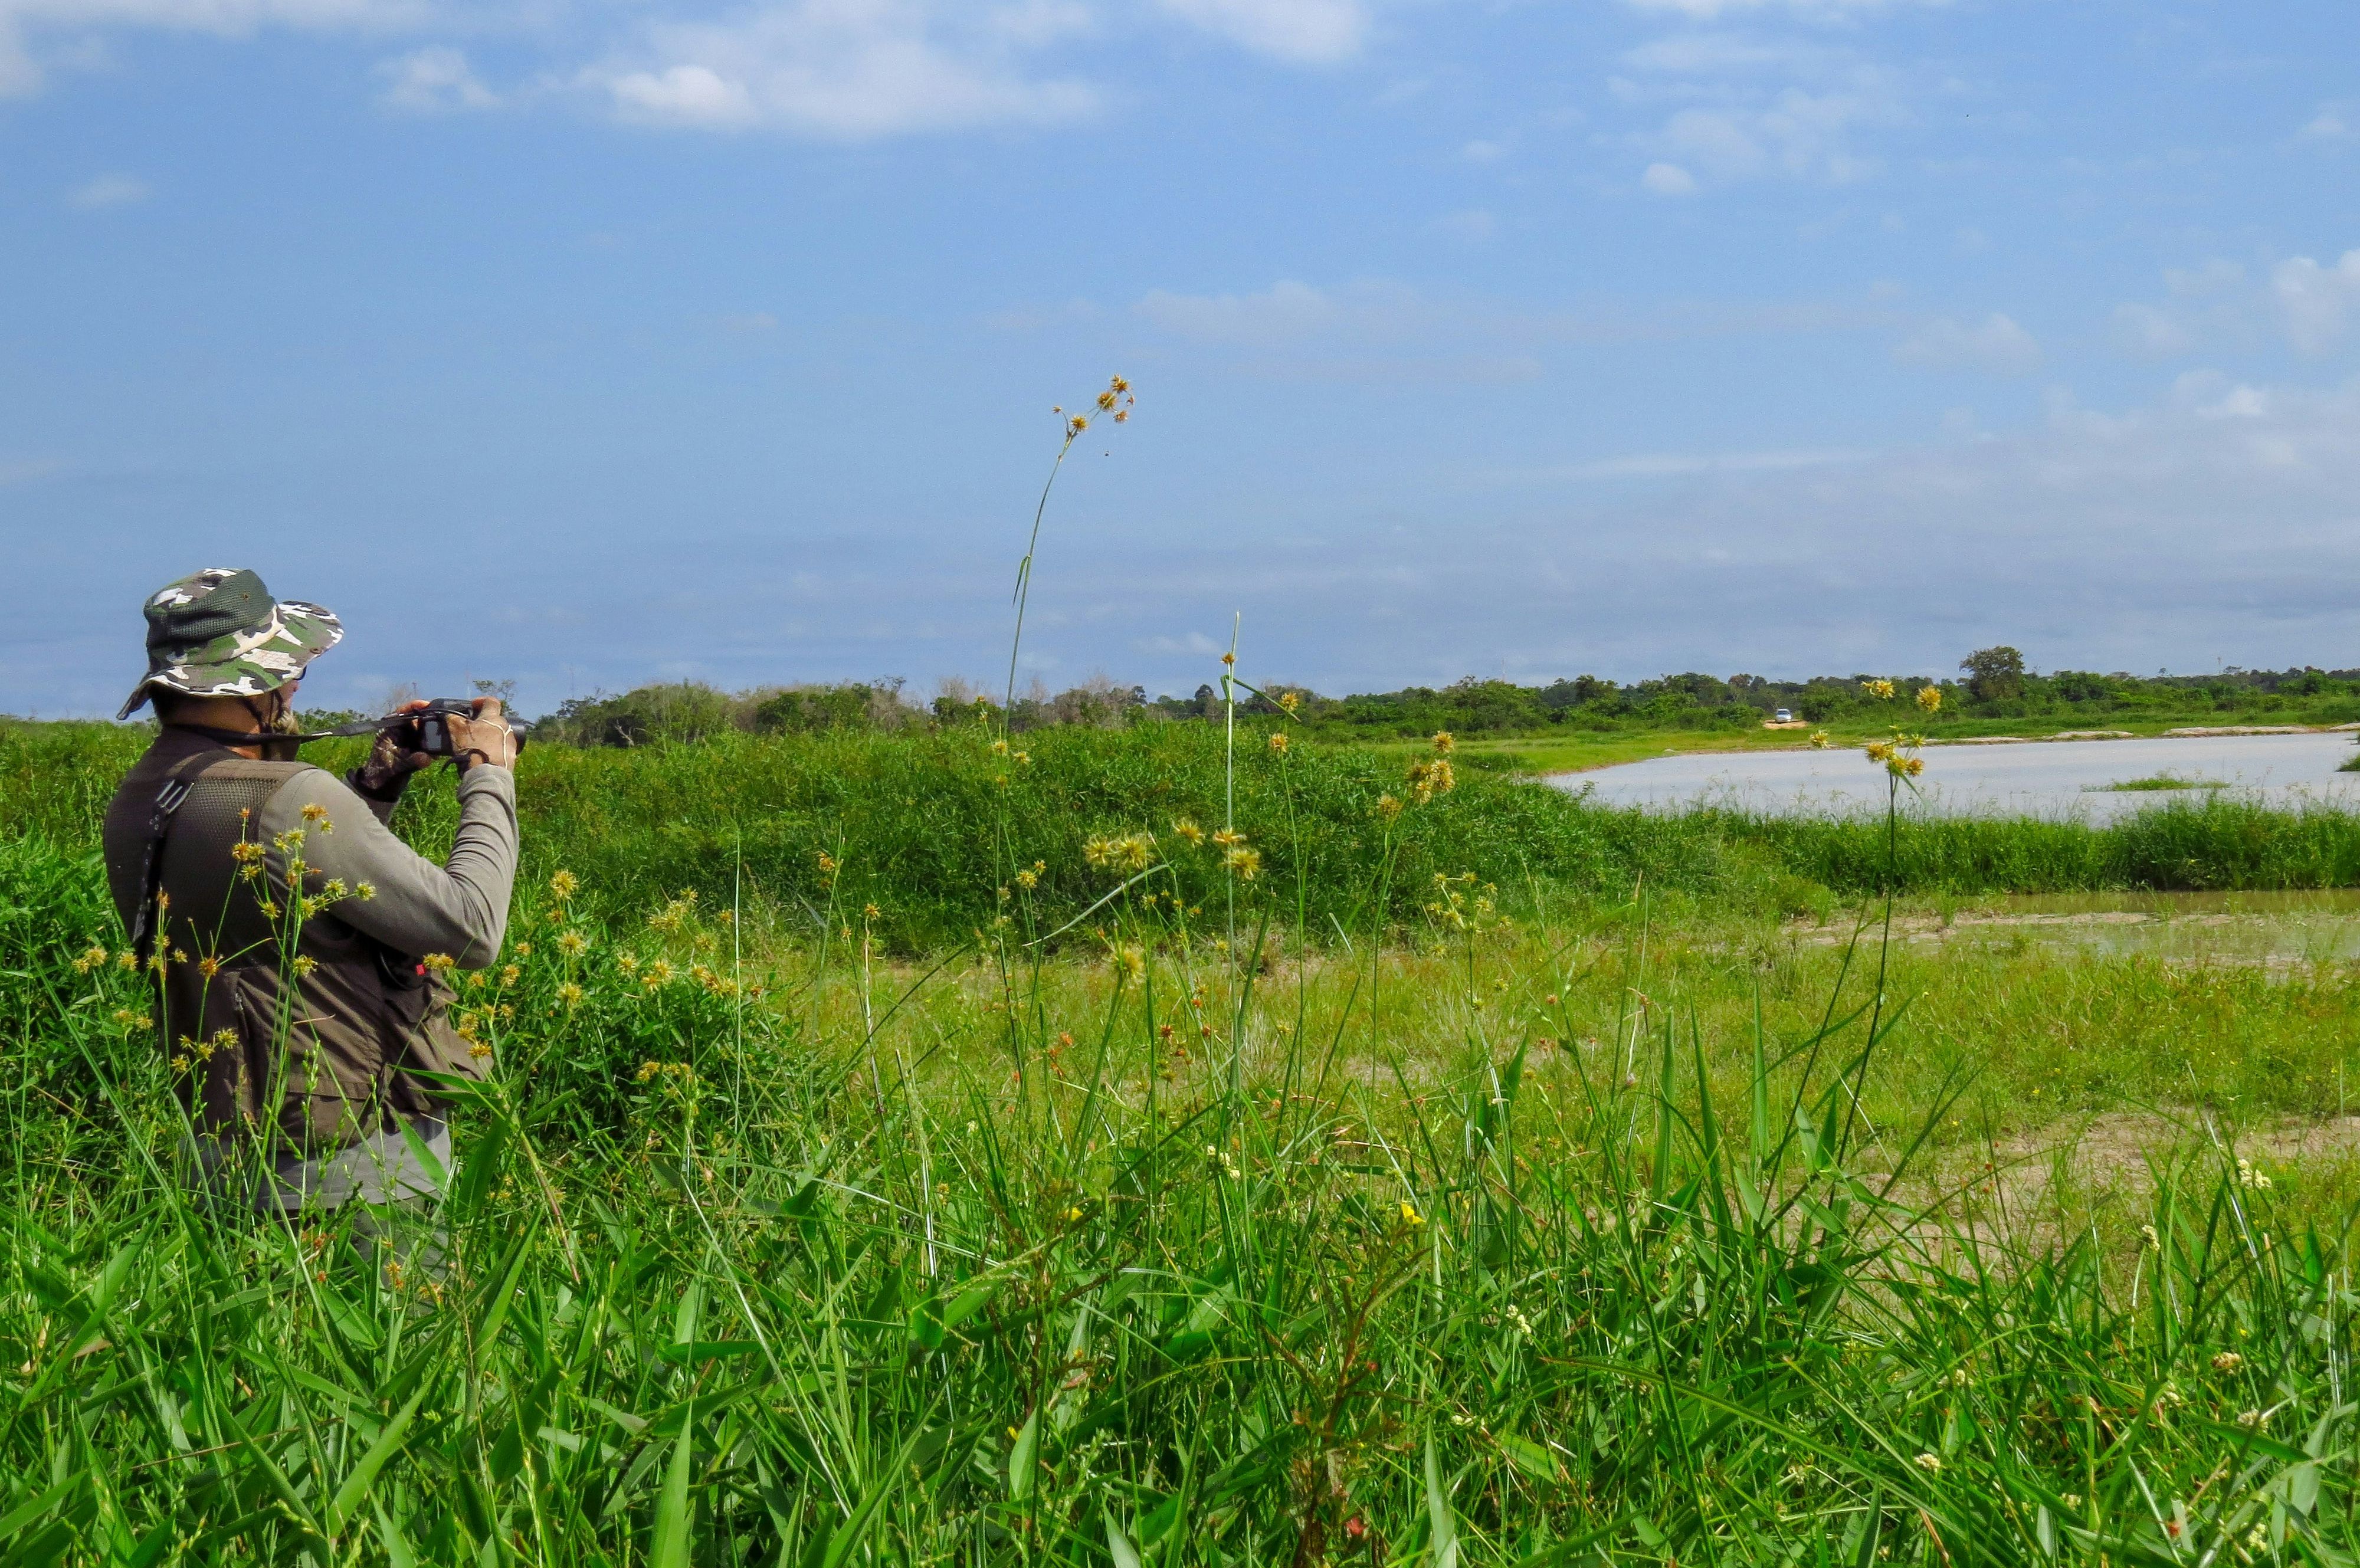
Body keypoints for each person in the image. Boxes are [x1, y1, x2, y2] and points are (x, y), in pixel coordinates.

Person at [99, 567, 519, 1227]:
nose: (295, 683)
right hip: (355, 1170)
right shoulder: (289, 795)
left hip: (221, 1151)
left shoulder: (144, 793)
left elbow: (279, 893)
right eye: (287, 668)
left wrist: (373, 789)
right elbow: (472, 930)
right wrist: (489, 776)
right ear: (253, 683)